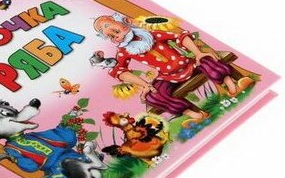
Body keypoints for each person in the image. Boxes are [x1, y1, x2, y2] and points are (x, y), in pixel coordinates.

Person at [93, 13, 252, 127]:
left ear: (125, 23)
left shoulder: (152, 35)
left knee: (206, 60)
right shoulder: (125, 51)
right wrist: (144, 84)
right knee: (152, 95)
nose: (117, 36)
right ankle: (196, 115)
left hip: (187, 64)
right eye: (112, 36)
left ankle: (233, 86)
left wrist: (197, 53)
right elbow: (120, 71)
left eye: (116, 31)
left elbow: (180, 37)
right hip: (167, 76)